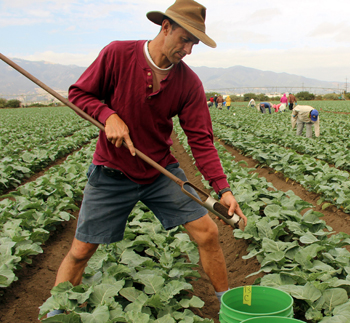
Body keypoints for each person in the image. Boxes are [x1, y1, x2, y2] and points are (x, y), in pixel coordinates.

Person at [46, 0, 247, 318]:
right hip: (111, 170)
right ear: (165, 27)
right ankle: (58, 312)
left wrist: (223, 188)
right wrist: (107, 114)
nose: (188, 50)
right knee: (82, 248)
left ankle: (229, 306)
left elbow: (200, 140)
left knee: (207, 232)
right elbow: (79, 94)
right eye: (185, 39)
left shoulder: (188, 83)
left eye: (194, 43)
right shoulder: (117, 54)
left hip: (159, 172)